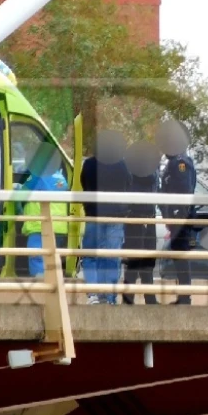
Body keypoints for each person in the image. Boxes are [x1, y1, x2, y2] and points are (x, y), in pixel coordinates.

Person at [80, 130, 131, 305]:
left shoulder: (89, 164)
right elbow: (128, 184)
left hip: (94, 214)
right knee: (111, 256)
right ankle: (109, 297)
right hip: (116, 216)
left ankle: (94, 295)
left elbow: (83, 184)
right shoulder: (121, 164)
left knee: (90, 255)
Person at [158, 120, 196, 305]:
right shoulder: (172, 162)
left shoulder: (180, 163)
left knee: (181, 257)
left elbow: (183, 192)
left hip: (180, 219)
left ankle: (185, 297)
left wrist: (174, 216)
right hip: (174, 219)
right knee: (178, 256)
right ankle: (183, 295)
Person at [19, 144, 69, 278]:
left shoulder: (36, 176)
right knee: (52, 258)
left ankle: (41, 289)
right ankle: (53, 284)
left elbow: (21, 196)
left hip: (40, 225)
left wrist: (20, 211)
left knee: (37, 257)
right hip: (59, 226)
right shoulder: (60, 177)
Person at [123, 141, 161, 305]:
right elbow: (148, 177)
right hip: (135, 218)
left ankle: (150, 297)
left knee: (148, 260)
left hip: (149, 217)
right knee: (134, 261)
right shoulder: (136, 168)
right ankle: (128, 298)